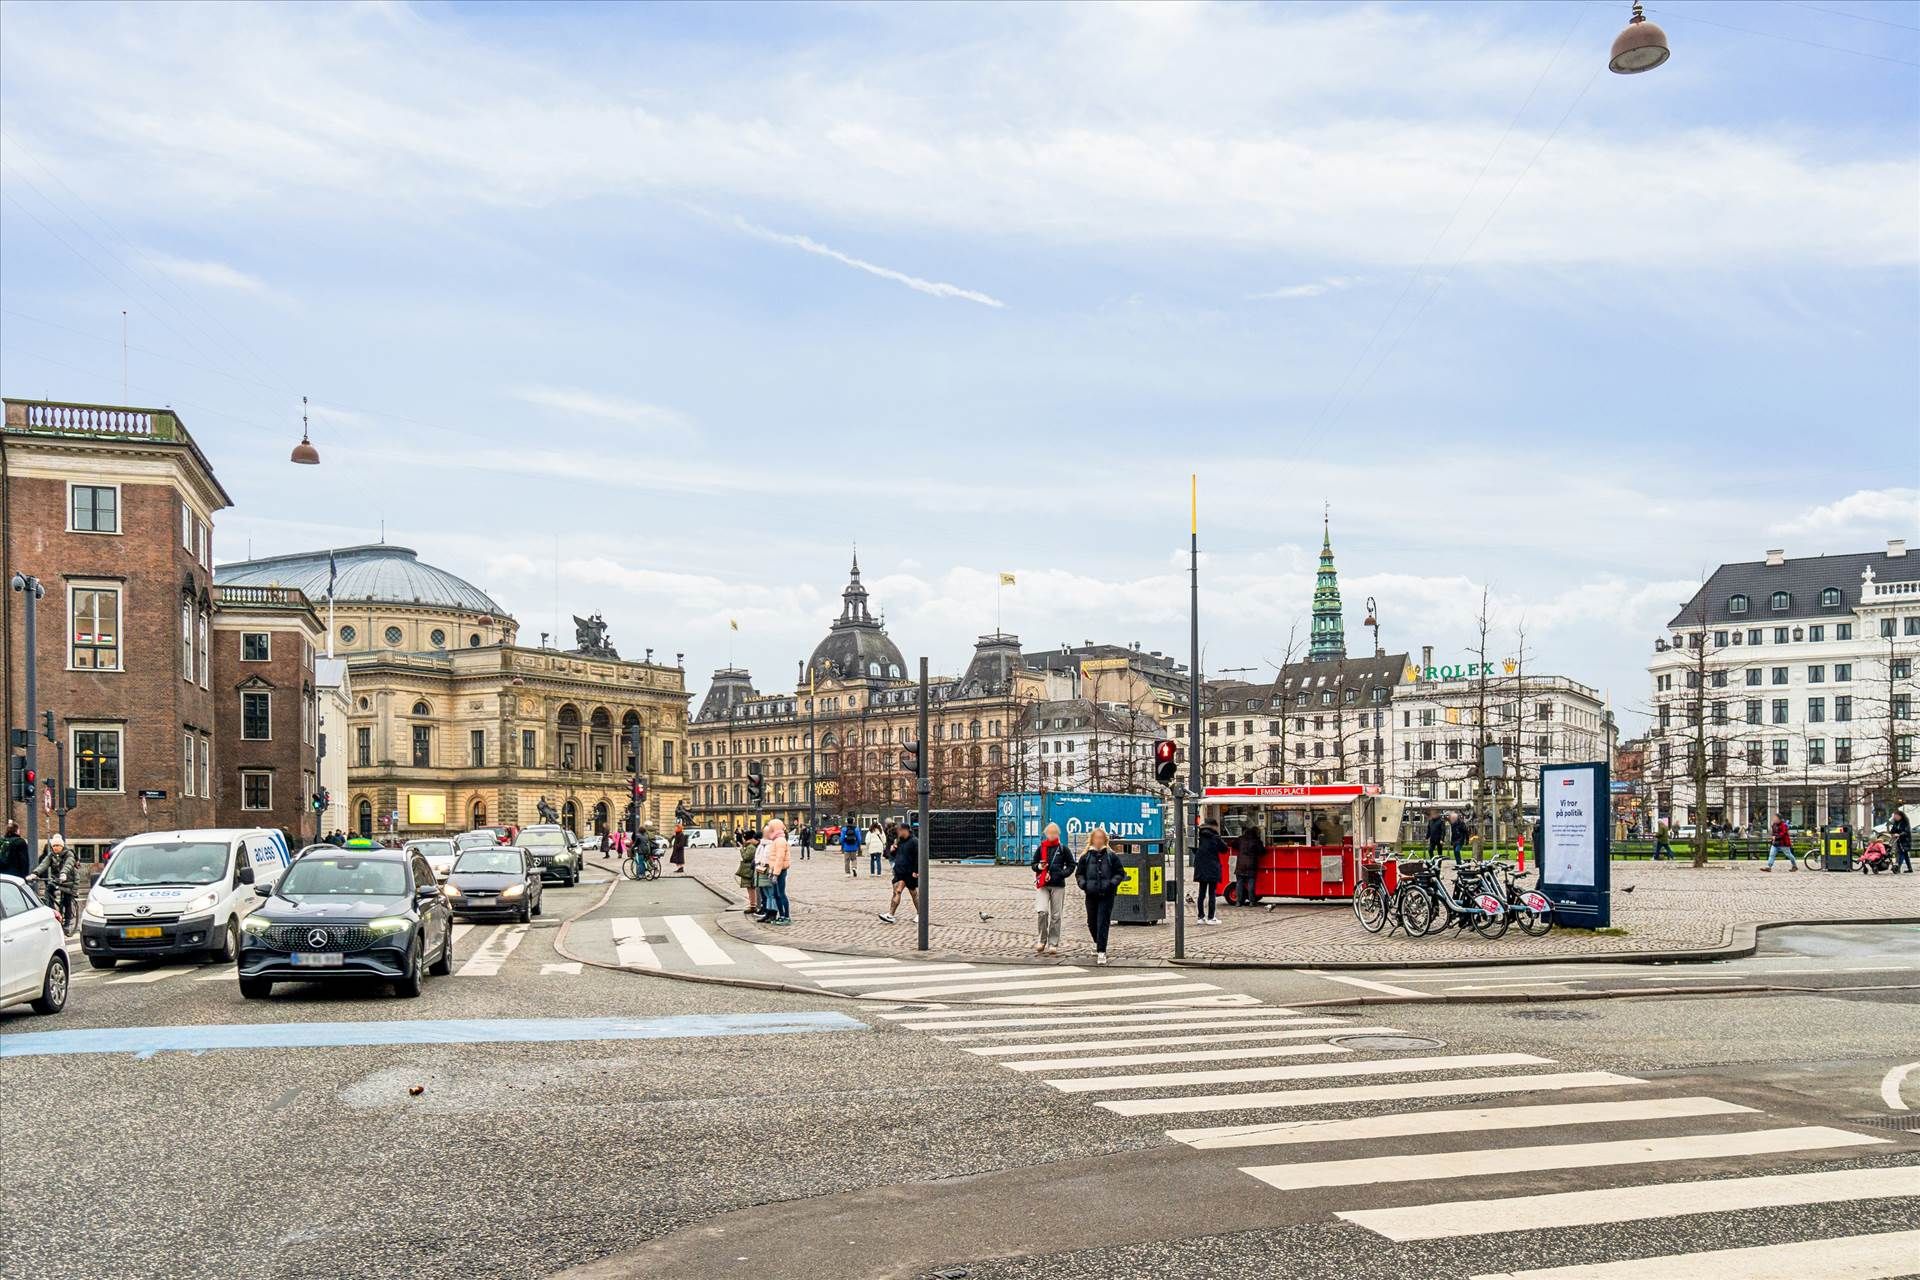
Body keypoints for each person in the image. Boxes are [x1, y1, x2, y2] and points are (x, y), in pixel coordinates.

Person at [1074, 827, 1124, 965]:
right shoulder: (1086, 856)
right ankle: (1097, 942)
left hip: (1107, 894)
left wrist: (1111, 884)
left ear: (1105, 840)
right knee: (1091, 921)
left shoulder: (1111, 856)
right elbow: (1079, 873)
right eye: (1096, 838)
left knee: (1103, 921)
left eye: (1101, 838)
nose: (1098, 840)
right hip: (1091, 893)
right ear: (1092, 839)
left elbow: (1120, 873)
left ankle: (1101, 951)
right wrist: (1084, 884)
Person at [1030, 822, 1073, 956]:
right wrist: (1039, 868)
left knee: (1056, 916)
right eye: (1050, 833)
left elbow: (1072, 865)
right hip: (1043, 884)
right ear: (1046, 834)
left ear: (1058, 834)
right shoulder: (1041, 848)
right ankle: (1042, 940)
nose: (1052, 835)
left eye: (1054, 833)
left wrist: (1062, 874)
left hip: (1058, 885)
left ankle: (1053, 943)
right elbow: (1033, 864)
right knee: (1042, 912)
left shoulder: (1063, 849)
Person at [32, 833, 78, 933]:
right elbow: (44, 864)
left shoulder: (69, 854)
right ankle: (52, 911)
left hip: (69, 880)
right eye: (54, 846)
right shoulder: (51, 855)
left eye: (58, 846)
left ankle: (67, 924)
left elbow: (68, 864)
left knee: (66, 900)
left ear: (62, 846)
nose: (55, 848)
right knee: (48, 890)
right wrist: (35, 873)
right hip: (56, 879)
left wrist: (64, 873)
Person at [878, 823, 919, 924]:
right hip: (899, 871)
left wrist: (916, 871)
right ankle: (891, 915)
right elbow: (895, 855)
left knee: (913, 893)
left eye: (899, 831)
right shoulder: (900, 842)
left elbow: (918, 857)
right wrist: (892, 851)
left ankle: (920, 913)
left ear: (905, 830)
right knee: (897, 891)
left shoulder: (914, 842)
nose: (898, 833)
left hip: (909, 872)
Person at [756, 819, 792, 925]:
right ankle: (781, 915)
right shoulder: (777, 840)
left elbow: (779, 858)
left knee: (781, 894)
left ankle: (785, 916)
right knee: (776, 894)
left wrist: (775, 873)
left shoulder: (780, 841)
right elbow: (774, 858)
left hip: (780, 871)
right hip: (776, 870)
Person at [1192, 822, 1226, 925]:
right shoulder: (1215, 837)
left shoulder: (1199, 837)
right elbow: (1224, 849)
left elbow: (1194, 850)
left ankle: (1200, 917)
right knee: (1212, 893)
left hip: (1201, 868)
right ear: (1214, 827)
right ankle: (1211, 917)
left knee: (1201, 893)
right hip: (1212, 868)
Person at [1232, 825, 1263, 908]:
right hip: (1251, 864)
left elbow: (1232, 844)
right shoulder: (1256, 840)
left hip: (1240, 864)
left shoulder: (1240, 839)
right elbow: (1262, 851)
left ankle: (1238, 902)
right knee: (1251, 883)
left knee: (1239, 883)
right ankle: (1252, 902)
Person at [736, 839, 760, 915]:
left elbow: (746, 857)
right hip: (749, 868)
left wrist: (742, 849)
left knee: (751, 887)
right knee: (750, 888)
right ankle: (753, 904)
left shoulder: (750, 847)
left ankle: (753, 905)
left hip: (749, 869)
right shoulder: (750, 846)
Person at [1889, 808, 1912, 874]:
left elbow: (1906, 831)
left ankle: (1898, 867)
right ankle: (1910, 869)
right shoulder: (1896, 823)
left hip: (1905, 841)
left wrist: (1899, 834)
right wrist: (1891, 833)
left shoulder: (1905, 822)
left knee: (1902, 853)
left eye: (1895, 816)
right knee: (1905, 854)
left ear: (1900, 816)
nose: (1894, 817)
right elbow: (1893, 830)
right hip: (1899, 840)